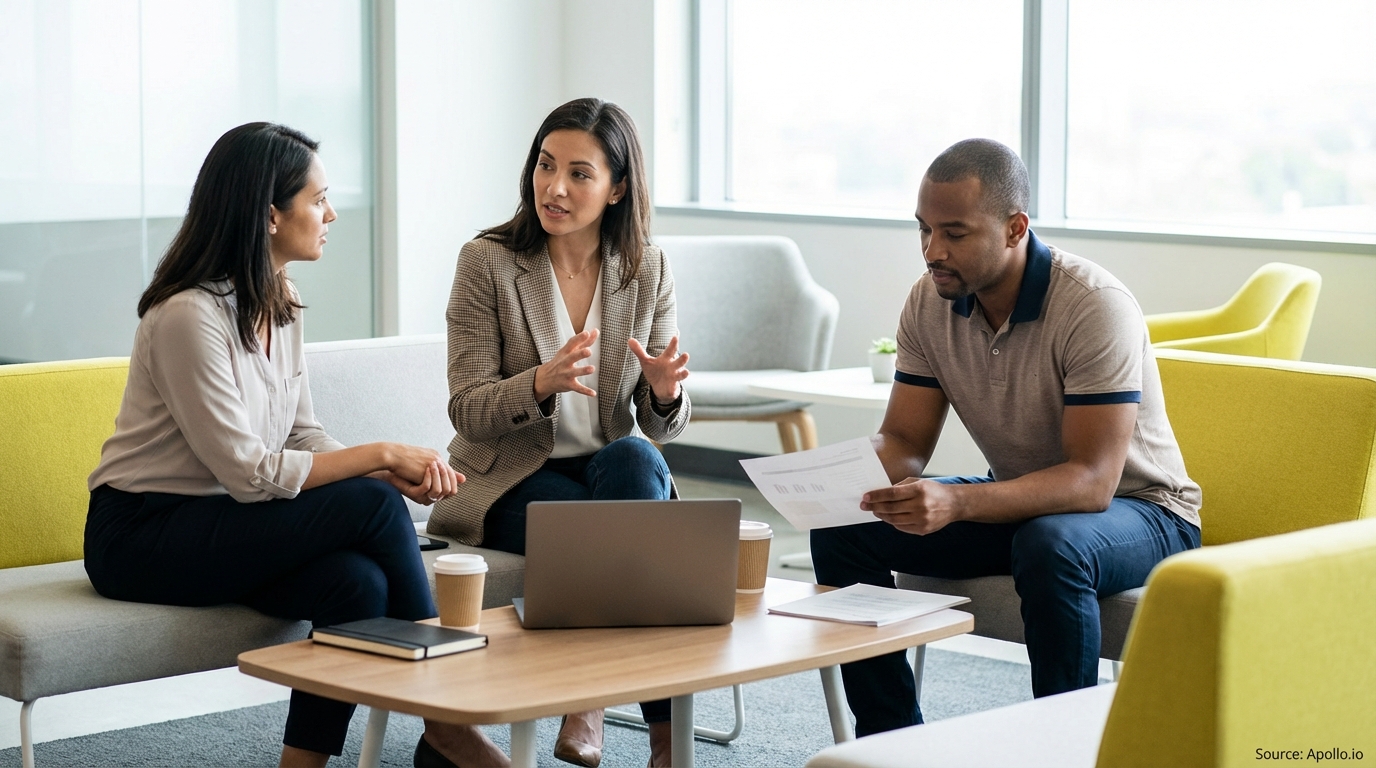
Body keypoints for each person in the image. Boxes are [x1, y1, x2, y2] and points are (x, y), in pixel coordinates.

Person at [84, 123, 511, 768]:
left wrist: (379, 474)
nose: (331, 213)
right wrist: (378, 460)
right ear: (269, 216)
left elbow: (300, 432)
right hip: (142, 534)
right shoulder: (186, 317)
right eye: (318, 199)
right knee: (370, 503)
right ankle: (446, 719)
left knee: (355, 583)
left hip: (225, 519)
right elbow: (250, 472)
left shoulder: (280, 299)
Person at [810, 138, 1203, 736]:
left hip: (1146, 513)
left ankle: (1062, 745)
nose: (931, 251)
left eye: (954, 233)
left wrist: (957, 500)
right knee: (843, 528)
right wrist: (826, 479)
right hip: (1029, 506)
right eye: (923, 229)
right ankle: (891, 741)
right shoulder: (929, 302)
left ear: (1015, 227)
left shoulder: (1094, 306)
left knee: (1052, 544)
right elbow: (904, 442)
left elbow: (1093, 483)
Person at [426, 97, 690, 768]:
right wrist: (539, 383)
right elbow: (467, 407)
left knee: (635, 458)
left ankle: (602, 706)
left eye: (579, 173)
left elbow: (665, 425)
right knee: (633, 541)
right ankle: (635, 723)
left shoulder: (645, 266)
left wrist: (665, 393)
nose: (555, 188)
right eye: (546, 167)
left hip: (608, 468)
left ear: (618, 187)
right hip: (510, 476)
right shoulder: (486, 261)